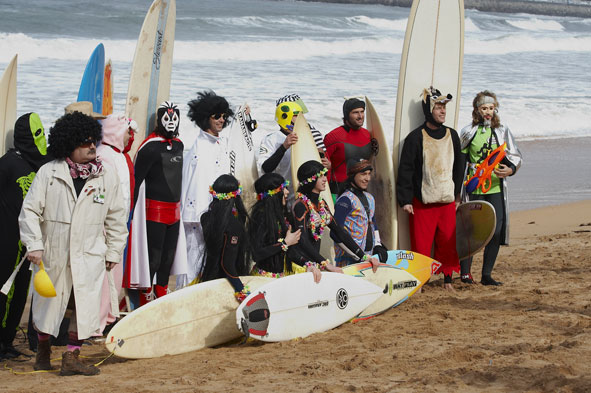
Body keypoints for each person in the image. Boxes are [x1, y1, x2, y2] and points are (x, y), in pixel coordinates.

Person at [19, 111, 127, 375]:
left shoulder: (106, 175)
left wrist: (113, 250)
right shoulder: (48, 173)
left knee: (83, 305)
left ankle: (71, 357)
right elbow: (30, 211)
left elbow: (116, 216)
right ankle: (43, 352)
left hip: (89, 253)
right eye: (84, 142)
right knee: (48, 306)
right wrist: (33, 244)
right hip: (54, 253)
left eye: (93, 140)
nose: (92, 146)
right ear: (69, 144)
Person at [396, 87, 464, 291]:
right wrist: (405, 200)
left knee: (447, 242)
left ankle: (448, 280)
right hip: (422, 202)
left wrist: (458, 195)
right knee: (421, 245)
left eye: (444, 107)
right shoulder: (416, 137)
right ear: (429, 110)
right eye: (439, 107)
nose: (443, 111)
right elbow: (406, 170)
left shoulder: (452, 135)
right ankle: (421, 281)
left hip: (446, 200)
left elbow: (459, 167)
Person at [0, 113, 51, 360]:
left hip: (28, 240)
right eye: (37, 134)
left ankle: (7, 341)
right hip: (6, 238)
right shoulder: (8, 163)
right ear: (25, 137)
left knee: (21, 292)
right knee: (4, 291)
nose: (42, 139)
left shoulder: (41, 164)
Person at [459, 91, 522, 286]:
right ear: (477, 110)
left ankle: (486, 275)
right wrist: (457, 189)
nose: (488, 112)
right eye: (484, 108)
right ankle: (465, 274)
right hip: (475, 186)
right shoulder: (468, 131)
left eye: (491, 108)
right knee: (472, 231)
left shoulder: (502, 130)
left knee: (496, 229)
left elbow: (515, 155)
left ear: (495, 110)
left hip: (495, 188)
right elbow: (460, 159)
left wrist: (511, 169)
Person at [127, 102, 187, 305]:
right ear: (160, 119)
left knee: (168, 257)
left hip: (175, 211)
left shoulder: (179, 144)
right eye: (167, 118)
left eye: (175, 118)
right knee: (153, 256)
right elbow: (136, 181)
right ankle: (145, 294)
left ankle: (161, 289)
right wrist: (130, 212)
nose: (171, 122)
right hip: (154, 212)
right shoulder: (149, 147)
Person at [291, 160, 379, 283]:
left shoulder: (322, 205)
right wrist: (326, 264)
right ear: (310, 179)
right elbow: (303, 240)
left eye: (325, 175)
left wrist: (363, 256)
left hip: (315, 264)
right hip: (301, 266)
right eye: (320, 176)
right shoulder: (300, 205)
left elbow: (339, 231)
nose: (325, 179)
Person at [181, 90, 235, 288]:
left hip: (219, 214)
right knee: (193, 261)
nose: (222, 120)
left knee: (213, 261)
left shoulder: (223, 144)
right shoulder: (197, 150)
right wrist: (193, 216)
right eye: (216, 116)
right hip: (197, 216)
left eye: (224, 116)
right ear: (206, 118)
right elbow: (190, 183)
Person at [96, 114, 137, 327]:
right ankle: (99, 320)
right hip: (107, 223)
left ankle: (110, 315)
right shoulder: (104, 155)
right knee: (105, 274)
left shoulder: (120, 155)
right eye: (127, 131)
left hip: (121, 221)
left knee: (116, 271)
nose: (130, 135)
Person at [256, 94, 330, 204]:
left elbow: (312, 171)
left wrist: (325, 166)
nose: (301, 119)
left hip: (302, 198)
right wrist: (284, 147)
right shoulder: (271, 139)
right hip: (280, 197)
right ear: (286, 117)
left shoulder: (305, 137)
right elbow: (266, 168)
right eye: (296, 116)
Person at [199, 175, 251, 302]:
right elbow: (227, 264)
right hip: (227, 284)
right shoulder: (234, 225)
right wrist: (241, 290)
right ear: (235, 196)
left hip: (208, 278)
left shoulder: (205, 217)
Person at [333, 159, 388, 267]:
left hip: (369, 257)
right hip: (348, 259)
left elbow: (373, 223)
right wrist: (358, 255)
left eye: (369, 174)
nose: (367, 178)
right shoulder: (345, 199)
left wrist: (377, 245)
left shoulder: (370, 198)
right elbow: (335, 232)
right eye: (363, 174)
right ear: (352, 175)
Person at [248, 173, 301, 277]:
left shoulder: (280, 214)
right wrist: (285, 243)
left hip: (280, 277)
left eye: (286, 187)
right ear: (272, 194)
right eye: (283, 188)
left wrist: (308, 264)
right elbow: (256, 254)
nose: (287, 192)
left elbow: (291, 251)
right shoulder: (261, 216)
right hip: (264, 280)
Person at [324, 98, 376, 196]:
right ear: (347, 115)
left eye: (362, 112)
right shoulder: (333, 136)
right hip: (337, 191)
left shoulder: (367, 135)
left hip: (361, 191)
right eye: (355, 112)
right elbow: (324, 165)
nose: (360, 116)